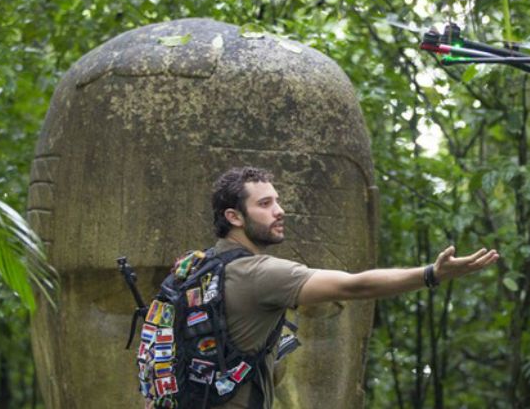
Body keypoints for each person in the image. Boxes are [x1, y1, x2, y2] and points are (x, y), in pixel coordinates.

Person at [210, 167, 499, 408]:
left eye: (277, 201)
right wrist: (430, 274)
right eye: (265, 204)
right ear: (233, 217)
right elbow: (353, 286)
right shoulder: (260, 273)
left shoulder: (194, 268)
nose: (280, 211)